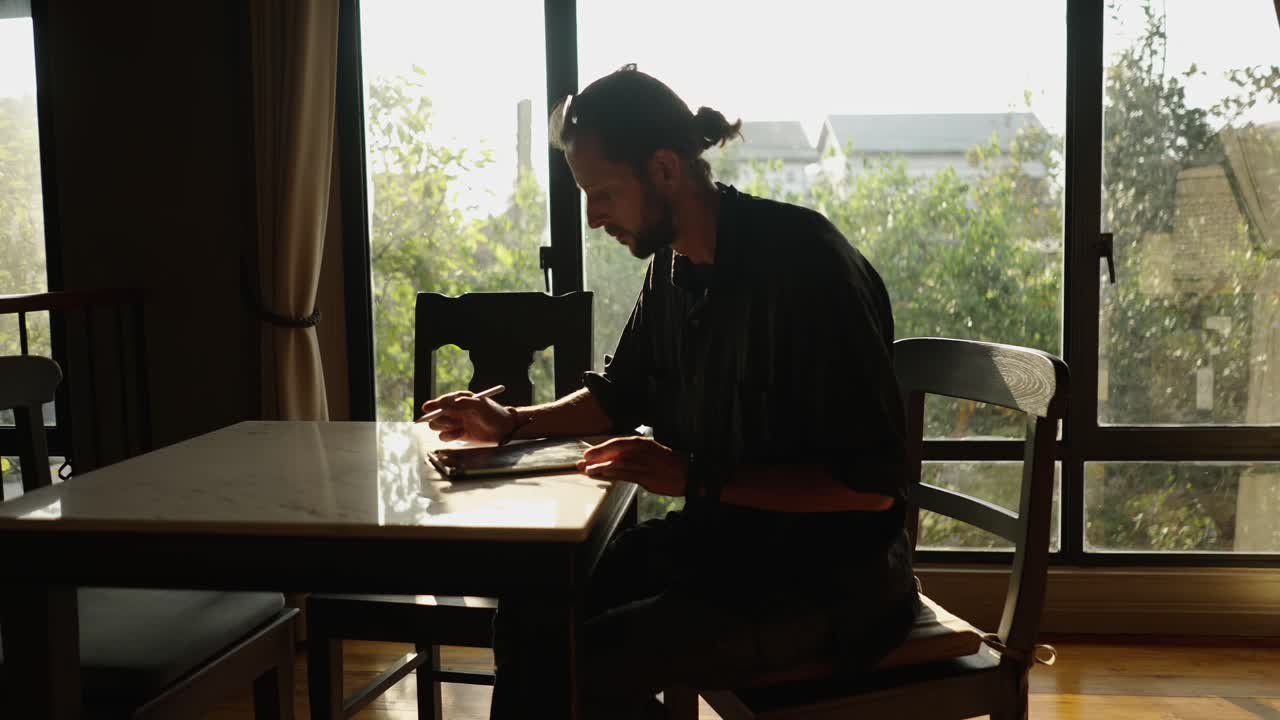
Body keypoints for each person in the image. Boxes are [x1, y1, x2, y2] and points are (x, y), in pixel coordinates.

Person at [419, 65, 920, 719]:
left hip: (826, 582)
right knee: (530, 610)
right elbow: (618, 396)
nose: (593, 218)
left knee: (578, 669)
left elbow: (871, 487)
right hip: (722, 550)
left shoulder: (807, 266)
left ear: (663, 169)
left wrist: (692, 476)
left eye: (603, 193)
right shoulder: (672, 266)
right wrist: (512, 422)